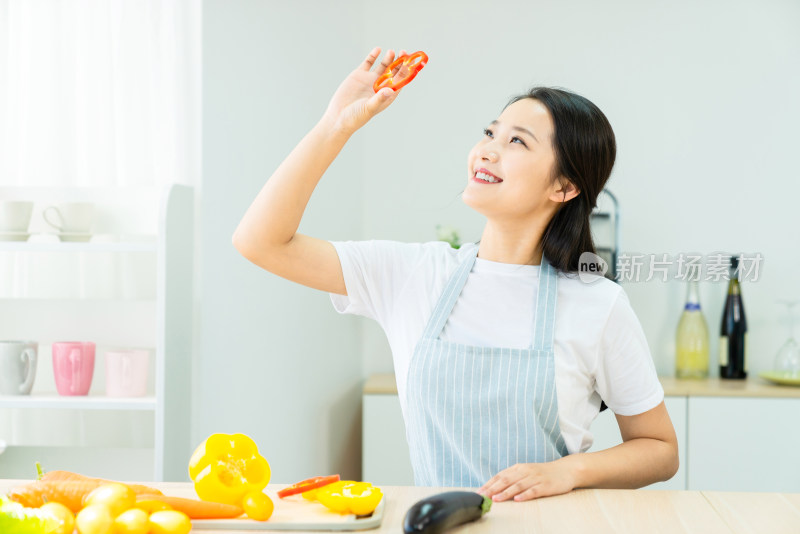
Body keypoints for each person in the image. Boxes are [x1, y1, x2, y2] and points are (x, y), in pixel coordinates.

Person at [233, 46, 679, 502]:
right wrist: (337, 125)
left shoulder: (596, 303)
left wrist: (569, 472)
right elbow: (260, 241)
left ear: (563, 186)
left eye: (517, 141)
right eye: (490, 132)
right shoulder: (412, 275)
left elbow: (660, 450)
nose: (487, 150)